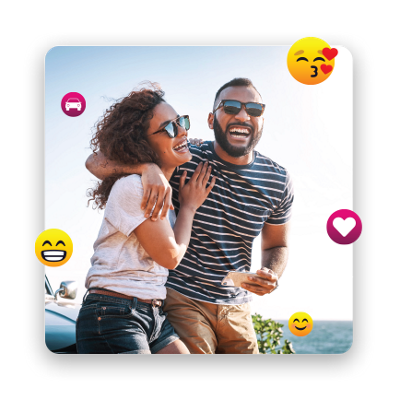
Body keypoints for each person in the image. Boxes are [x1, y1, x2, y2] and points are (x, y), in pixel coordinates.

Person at [86, 78, 294, 354]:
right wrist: (147, 167)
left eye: (254, 110)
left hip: (237, 306)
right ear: (211, 119)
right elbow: (96, 162)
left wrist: (271, 273)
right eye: (230, 106)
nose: (243, 115)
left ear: (262, 119)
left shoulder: (278, 180)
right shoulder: (184, 155)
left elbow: (277, 244)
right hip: (182, 298)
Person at [76, 83, 216, 354]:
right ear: (143, 143)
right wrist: (188, 207)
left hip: (151, 314)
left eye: (182, 121)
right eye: (171, 128)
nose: (184, 130)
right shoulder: (134, 187)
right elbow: (170, 257)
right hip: (114, 314)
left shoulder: (159, 186)